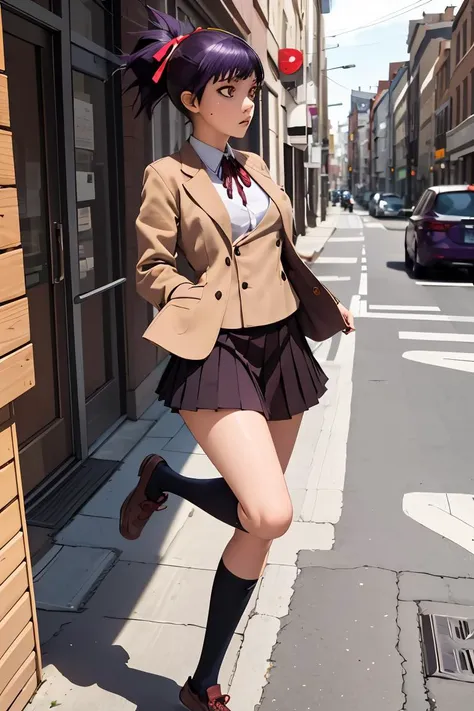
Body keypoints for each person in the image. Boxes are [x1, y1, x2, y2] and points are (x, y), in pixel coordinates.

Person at [118, 8, 355, 711]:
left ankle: (202, 683)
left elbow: (278, 251)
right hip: (214, 348)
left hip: (280, 345)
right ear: (191, 100)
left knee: (258, 525)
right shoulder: (168, 175)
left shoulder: (256, 167)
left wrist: (326, 300)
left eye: (251, 90)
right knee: (270, 510)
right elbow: (150, 267)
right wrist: (193, 294)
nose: (247, 104)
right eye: (231, 91)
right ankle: (164, 477)